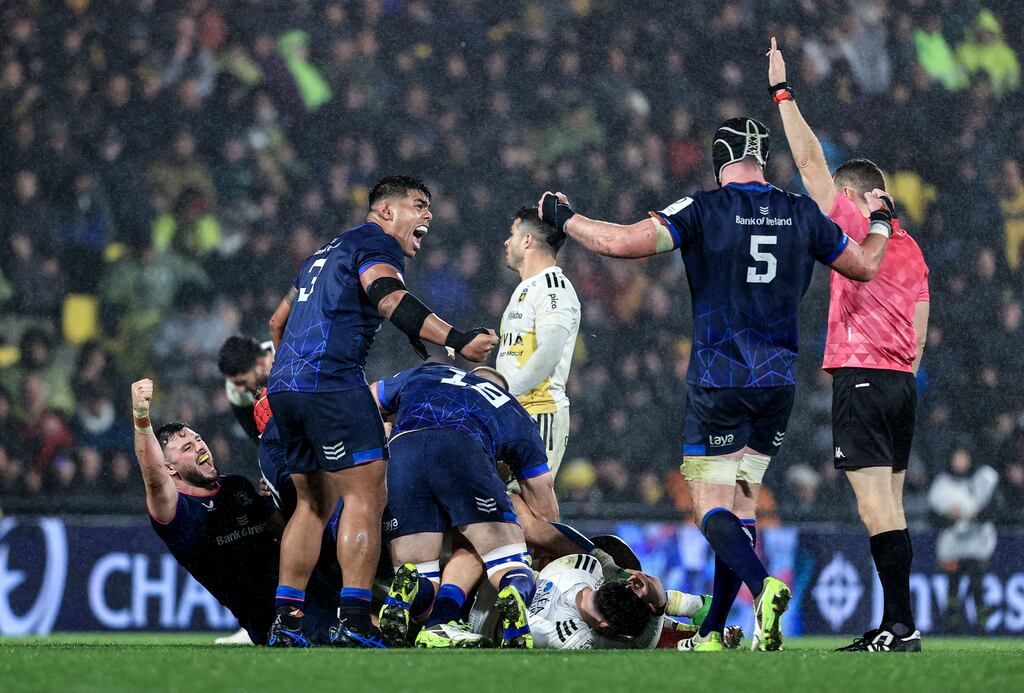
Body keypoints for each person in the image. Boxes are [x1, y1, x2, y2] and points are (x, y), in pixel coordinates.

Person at [536, 110, 893, 651]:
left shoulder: (704, 208)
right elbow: (865, 265)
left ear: (719, 159)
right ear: (763, 158)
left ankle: (764, 586)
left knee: (709, 507)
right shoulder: (802, 212)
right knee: (742, 504)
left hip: (720, 377)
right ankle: (712, 631)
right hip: (778, 382)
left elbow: (621, 243)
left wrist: (565, 218)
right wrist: (882, 220)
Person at [264, 175, 498, 648]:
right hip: (332, 381)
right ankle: (353, 620)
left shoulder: (322, 254)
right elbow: (388, 297)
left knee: (311, 505)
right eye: (419, 204)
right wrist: (457, 340)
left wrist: (287, 379)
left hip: (285, 387)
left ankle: (286, 622)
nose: (428, 214)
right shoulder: (375, 242)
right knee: (365, 498)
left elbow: (277, 321)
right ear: (386, 211)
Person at [768, 37, 930, 652]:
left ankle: (901, 627)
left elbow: (810, 163)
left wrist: (783, 93)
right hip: (901, 384)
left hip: (862, 377)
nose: (828, 203)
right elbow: (920, 333)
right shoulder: (912, 250)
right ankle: (898, 624)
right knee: (893, 506)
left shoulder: (858, 225)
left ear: (859, 196)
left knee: (873, 508)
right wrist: (900, 371)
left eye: (839, 194)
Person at [128, 378, 337, 647]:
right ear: (169, 468)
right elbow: (154, 478)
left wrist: (283, 498)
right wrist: (141, 416)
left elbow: (288, 531)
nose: (200, 446)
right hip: (280, 621)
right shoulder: (177, 511)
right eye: (187, 448)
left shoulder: (237, 486)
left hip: (318, 586)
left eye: (198, 439)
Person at [368, 363, 555, 648]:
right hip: (462, 449)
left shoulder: (429, 372)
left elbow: (366, 399)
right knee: (508, 562)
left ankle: (413, 593)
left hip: (402, 452)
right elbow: (543, 495)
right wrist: (542, 548)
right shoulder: (511, 407)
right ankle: (514, 594)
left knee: (420, 572)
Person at [497, 206, 581, 479]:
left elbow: (550, 351)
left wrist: (506, 396)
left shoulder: (553, 286)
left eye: (512, 233)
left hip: (539, 412)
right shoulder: (527, 288)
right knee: (504, 500)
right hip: (517, 412)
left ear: (527, 240)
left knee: (530, 502)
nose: (506, 241)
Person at [217, 335, 275, 442]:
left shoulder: (291, 356)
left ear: (260, 364)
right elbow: (260, 438)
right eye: (234, 383)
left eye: (242, 382)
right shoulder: (233, 390)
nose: (239, 390)